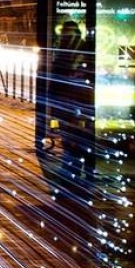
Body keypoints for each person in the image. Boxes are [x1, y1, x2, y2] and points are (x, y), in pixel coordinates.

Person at [49, 19, 92, 180]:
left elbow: (57, 75)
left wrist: (52, 100)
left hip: (68, 99)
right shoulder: (82, 47)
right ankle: (79, 167)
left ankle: (71, 168)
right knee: (78, 134)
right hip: (79, 99)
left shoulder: (63, 49)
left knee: (70, 135)